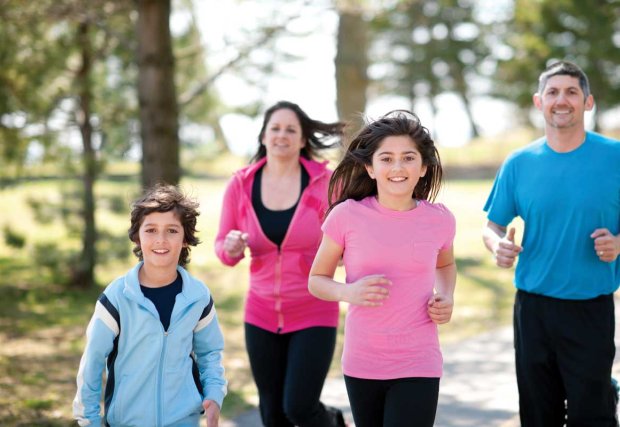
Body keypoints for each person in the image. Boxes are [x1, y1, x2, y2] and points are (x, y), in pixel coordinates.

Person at [482, 60, 620, 426]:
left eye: (572, 91)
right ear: (539, 101)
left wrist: (619, 243)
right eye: (553, 92)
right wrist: (497, 246)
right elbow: (492, 225)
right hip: (533, 310)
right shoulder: (519, 162)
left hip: (590, 307)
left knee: (592, 416)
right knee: (538, 414)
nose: (562, 100)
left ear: (588, 102)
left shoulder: (615, 157)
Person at [308, 110, 457, 427]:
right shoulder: (346, 216)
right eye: (386, 159)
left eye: (408, 158)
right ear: (370, 168)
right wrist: (349, 291)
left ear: (424, 166)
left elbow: (446, 264)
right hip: (364, 361)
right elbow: (316, 280)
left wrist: (446, 296)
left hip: (419, 360)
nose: (398, 167)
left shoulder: (439, 219)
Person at [214, 100, 346, 427]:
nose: (281, 135)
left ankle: (334, 422)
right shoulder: (241, 185)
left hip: (314, 308)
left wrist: (344, 254)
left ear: (303, 140)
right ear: (263, 136)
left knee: (299, 407)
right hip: (260, 312)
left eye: (291, 129)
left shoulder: (326, 183)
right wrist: (230, 247)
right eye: (275, 128)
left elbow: (348, 237)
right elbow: (222, 248)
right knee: (272, 415)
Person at [73, 184, 227, 427]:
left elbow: (209, 354)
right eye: (151, 230)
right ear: (137, 236)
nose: (161, 240)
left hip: (183, 420)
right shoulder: (117, 297)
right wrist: (89, 420)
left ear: (186, 238)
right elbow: (92, 362)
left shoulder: (198, 297)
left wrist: (214, 395)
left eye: (172, 230)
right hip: (127, 422)